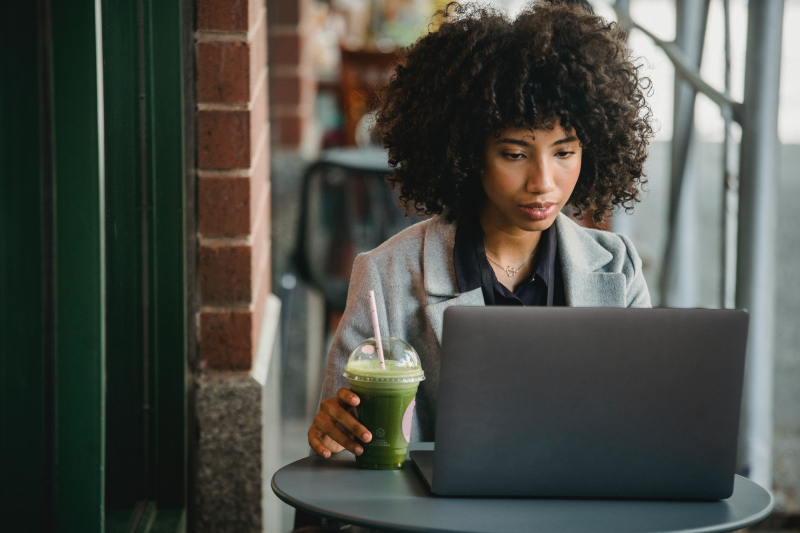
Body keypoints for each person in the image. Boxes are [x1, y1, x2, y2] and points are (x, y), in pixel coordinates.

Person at [308, 0, 654, 459]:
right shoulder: (386, 276)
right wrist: (337, 436)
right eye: (515, 154)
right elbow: (344, 471)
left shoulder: (618, 268)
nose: (543, 183)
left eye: (565, 153)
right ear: (467, 152)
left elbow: (644, 429)